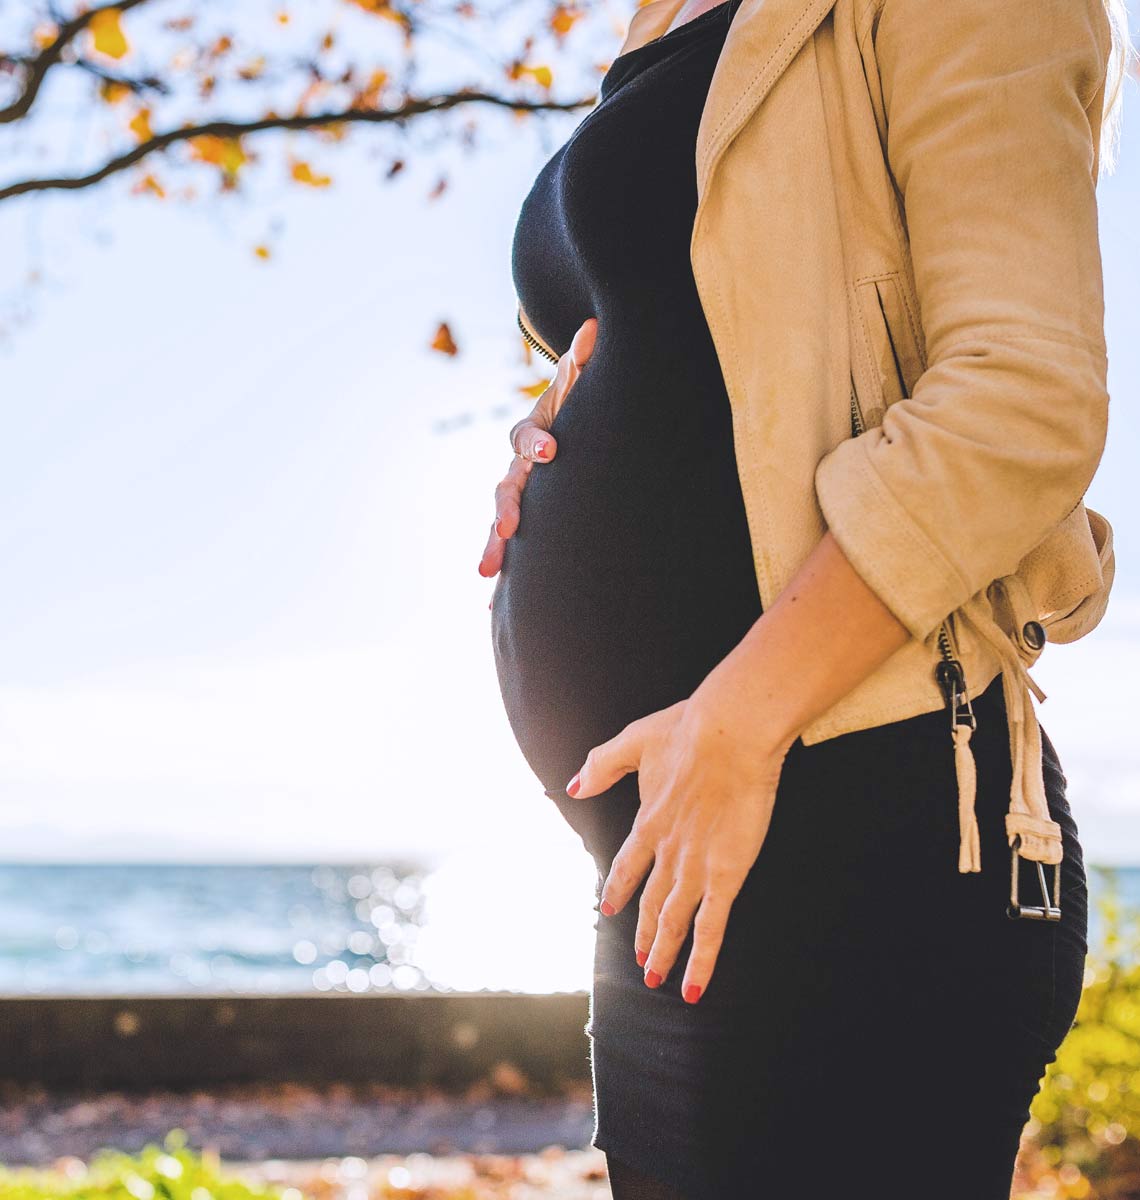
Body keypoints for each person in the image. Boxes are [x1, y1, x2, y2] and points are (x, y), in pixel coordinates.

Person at [478, 0, 1132, 1195]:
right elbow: (700, 333)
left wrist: (740, 716)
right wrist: (551, 423)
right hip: (679, 849)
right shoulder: (662, 21)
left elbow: (1021, 400)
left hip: (862, 820)